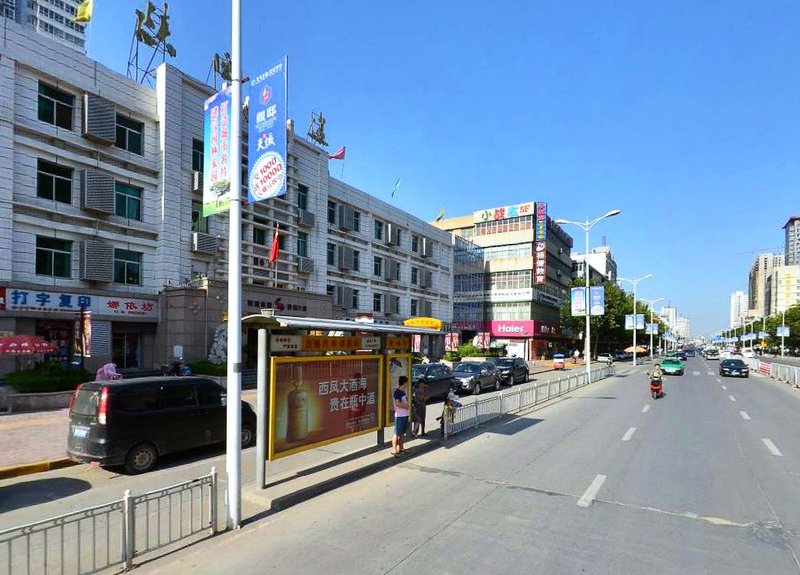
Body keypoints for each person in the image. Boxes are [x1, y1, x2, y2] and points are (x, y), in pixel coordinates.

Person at [391, 376, 410, 456]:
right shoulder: (398, 392)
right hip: (399, 416)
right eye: (407, 383)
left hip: (404, 415)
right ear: (404, 383)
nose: (407, 384)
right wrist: (406, 406)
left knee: (402, 433)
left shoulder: (402, 392)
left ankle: (401, 448)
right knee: (396, 433)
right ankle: (394, 449)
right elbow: (397, 403)